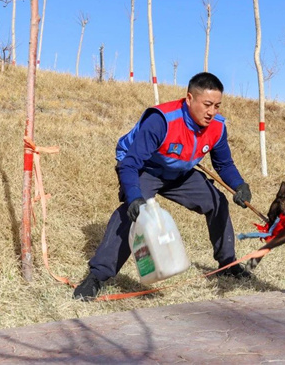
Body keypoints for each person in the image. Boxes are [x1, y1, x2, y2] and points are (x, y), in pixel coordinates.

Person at [74, 72, 253, 300]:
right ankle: (97, 276)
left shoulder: (217, 127)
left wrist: (239, 184)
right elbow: (130, 163)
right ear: (189, 98)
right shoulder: (161, 120)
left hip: (179, 173)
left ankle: (227, 264)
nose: (212, 112)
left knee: (217, 201)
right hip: (144, 169)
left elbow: (224, 164)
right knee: (133, 213)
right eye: (207, 104)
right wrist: (134, 196)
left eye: (217, 106)